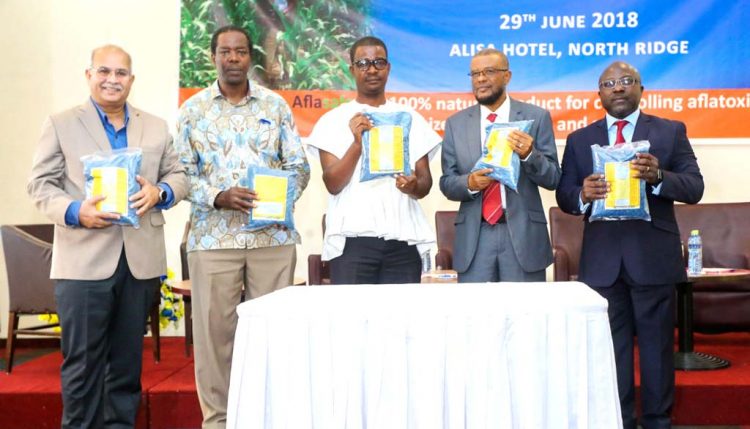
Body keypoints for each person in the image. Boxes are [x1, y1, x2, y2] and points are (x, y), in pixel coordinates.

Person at [27, 44, 188, 428]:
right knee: (83, 366)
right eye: (104, 71)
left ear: (131, 80)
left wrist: (160, 192)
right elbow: (40, 186)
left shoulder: (155, 126)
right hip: (82, 263)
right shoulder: (62, 123)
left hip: (139, 263)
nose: (112, 80)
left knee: (127, 365)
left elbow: (179, 176)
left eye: (121, 73)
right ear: (89, 75)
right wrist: (75, 210)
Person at [556, 61, 704, 429]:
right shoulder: (579, 139)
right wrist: (581, 195)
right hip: (602, 262)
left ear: (640, 88)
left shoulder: (670, 132)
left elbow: (694, 187)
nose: (617, 88)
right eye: (608, 83)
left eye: (625, 81)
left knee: (656, 350)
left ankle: (656, 421)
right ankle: (616, 420)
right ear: (600, 94)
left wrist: (658, 177)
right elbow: (564, 194)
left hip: (652, 257)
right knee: (611, 351)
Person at [174, 25, 309, 428]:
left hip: (273, 238)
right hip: (213, 240)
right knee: (217, 341)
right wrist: (218, 196)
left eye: (241, 52)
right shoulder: (193, 111)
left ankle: (274, 418)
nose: (233, 58)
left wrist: (277, 197)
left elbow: (298, 166)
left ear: (251, 58)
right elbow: (180, 174)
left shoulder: (276, 106)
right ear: (213, 56)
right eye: (225, 51)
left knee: (275, 337)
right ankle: (218, 422)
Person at [307, 36, 441, 284]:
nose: (372, 69)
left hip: (403, 240)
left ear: (388, 68)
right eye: (363, 63)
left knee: (401, 322)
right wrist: (358, 144)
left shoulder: (410, 117)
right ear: (352, 69)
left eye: (379, 62)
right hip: (353, 242)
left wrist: (413, 186)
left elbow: (425, 184)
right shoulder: (332, 120)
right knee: (352, 322)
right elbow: (333, 184)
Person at [439, 48, 560, 282]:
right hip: (476, 236)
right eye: (475, 74)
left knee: (525, 315)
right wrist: (470, 183)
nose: (481, 79)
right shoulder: (456, 124)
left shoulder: (537, 117)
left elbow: (553, 178)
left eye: (489, 71)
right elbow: (447, 182)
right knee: (477, 316)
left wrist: (529, 155)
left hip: (523, 236)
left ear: (507, 76)